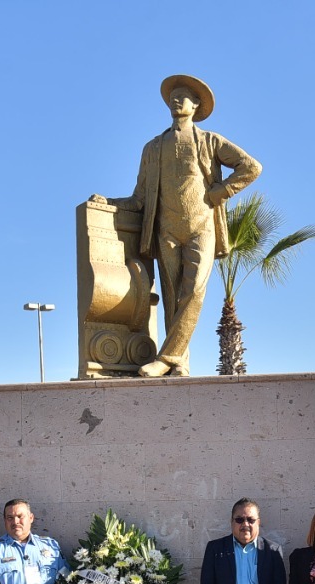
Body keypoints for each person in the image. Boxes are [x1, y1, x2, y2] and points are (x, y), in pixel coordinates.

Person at [90, 74, 261, 378]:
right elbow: (140, 199)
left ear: (196, 105)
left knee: (193, 292)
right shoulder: (153, 148)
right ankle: (179, 362)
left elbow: (251, 167)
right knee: (171, 298)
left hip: (201, 226)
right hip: (166, 229)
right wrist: (109, 202)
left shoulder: (210, 141)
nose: (176, 100)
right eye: (173, 97)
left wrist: (220, 192)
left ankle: (166, 357)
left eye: (183, 97)